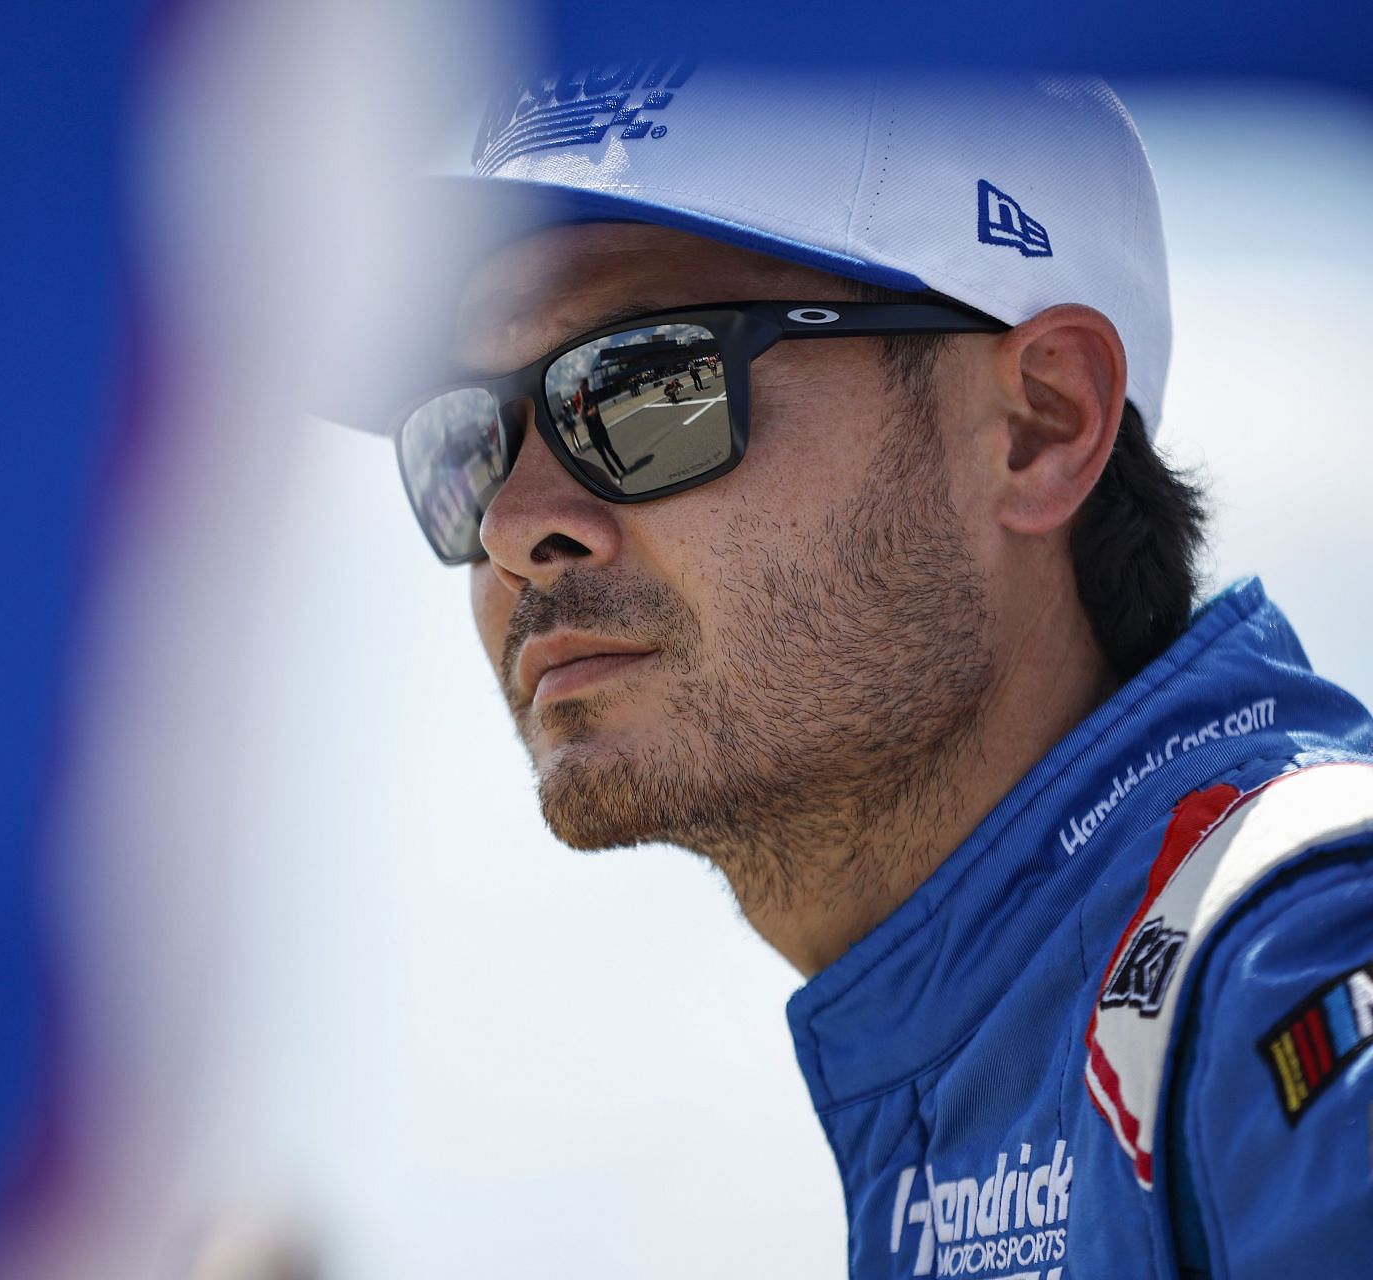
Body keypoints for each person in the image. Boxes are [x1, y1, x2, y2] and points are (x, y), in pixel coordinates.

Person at [350, 68, 1373, 1276]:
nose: (517, 522)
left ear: (1042, 424)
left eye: (645, 385)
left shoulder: (1292, 953)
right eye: (466, 440)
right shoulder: (996, 1049)